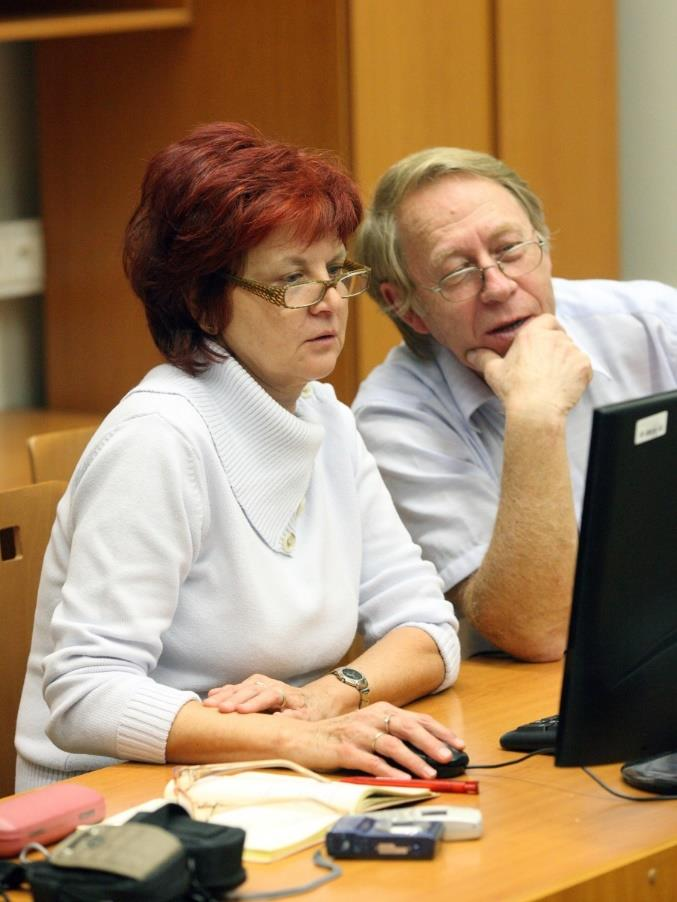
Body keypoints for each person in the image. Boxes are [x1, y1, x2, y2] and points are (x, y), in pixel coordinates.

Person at [14, 123, 463, 792]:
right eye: (292, 280)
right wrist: (295, 736)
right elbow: (85, 698)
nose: (332, 302)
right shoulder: (158, 440)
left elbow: (427, 626)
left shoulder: (325, 417)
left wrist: (332, 696)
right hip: (120, 801)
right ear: (203, 301)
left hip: (265, 777)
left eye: (336, 272)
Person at [351, 146, 677, 663]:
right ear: (405, 306)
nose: (499, 287)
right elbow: (536, 631)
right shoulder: (395, 419)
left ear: (543, 246)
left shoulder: (651, 321)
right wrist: (535, 414)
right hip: (543, 694)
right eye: (457, 272)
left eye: (510, 250)